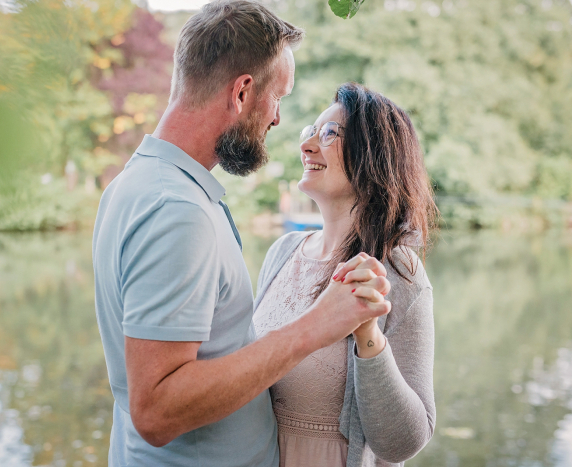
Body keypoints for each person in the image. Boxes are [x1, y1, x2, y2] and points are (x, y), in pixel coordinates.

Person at [92, 2, 392, 466]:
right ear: (242, 93)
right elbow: (155, 410)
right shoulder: (177, 211)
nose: (277, 120)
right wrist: (313, 327)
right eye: (279, 99)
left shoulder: (135, 185)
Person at [253, 82, 439, 467]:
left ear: (374, 155)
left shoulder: (400, 274)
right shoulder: (282, 253)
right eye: (310, 133)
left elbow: (403, 443)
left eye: (329, 134)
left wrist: (368, 336)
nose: (306, 146)